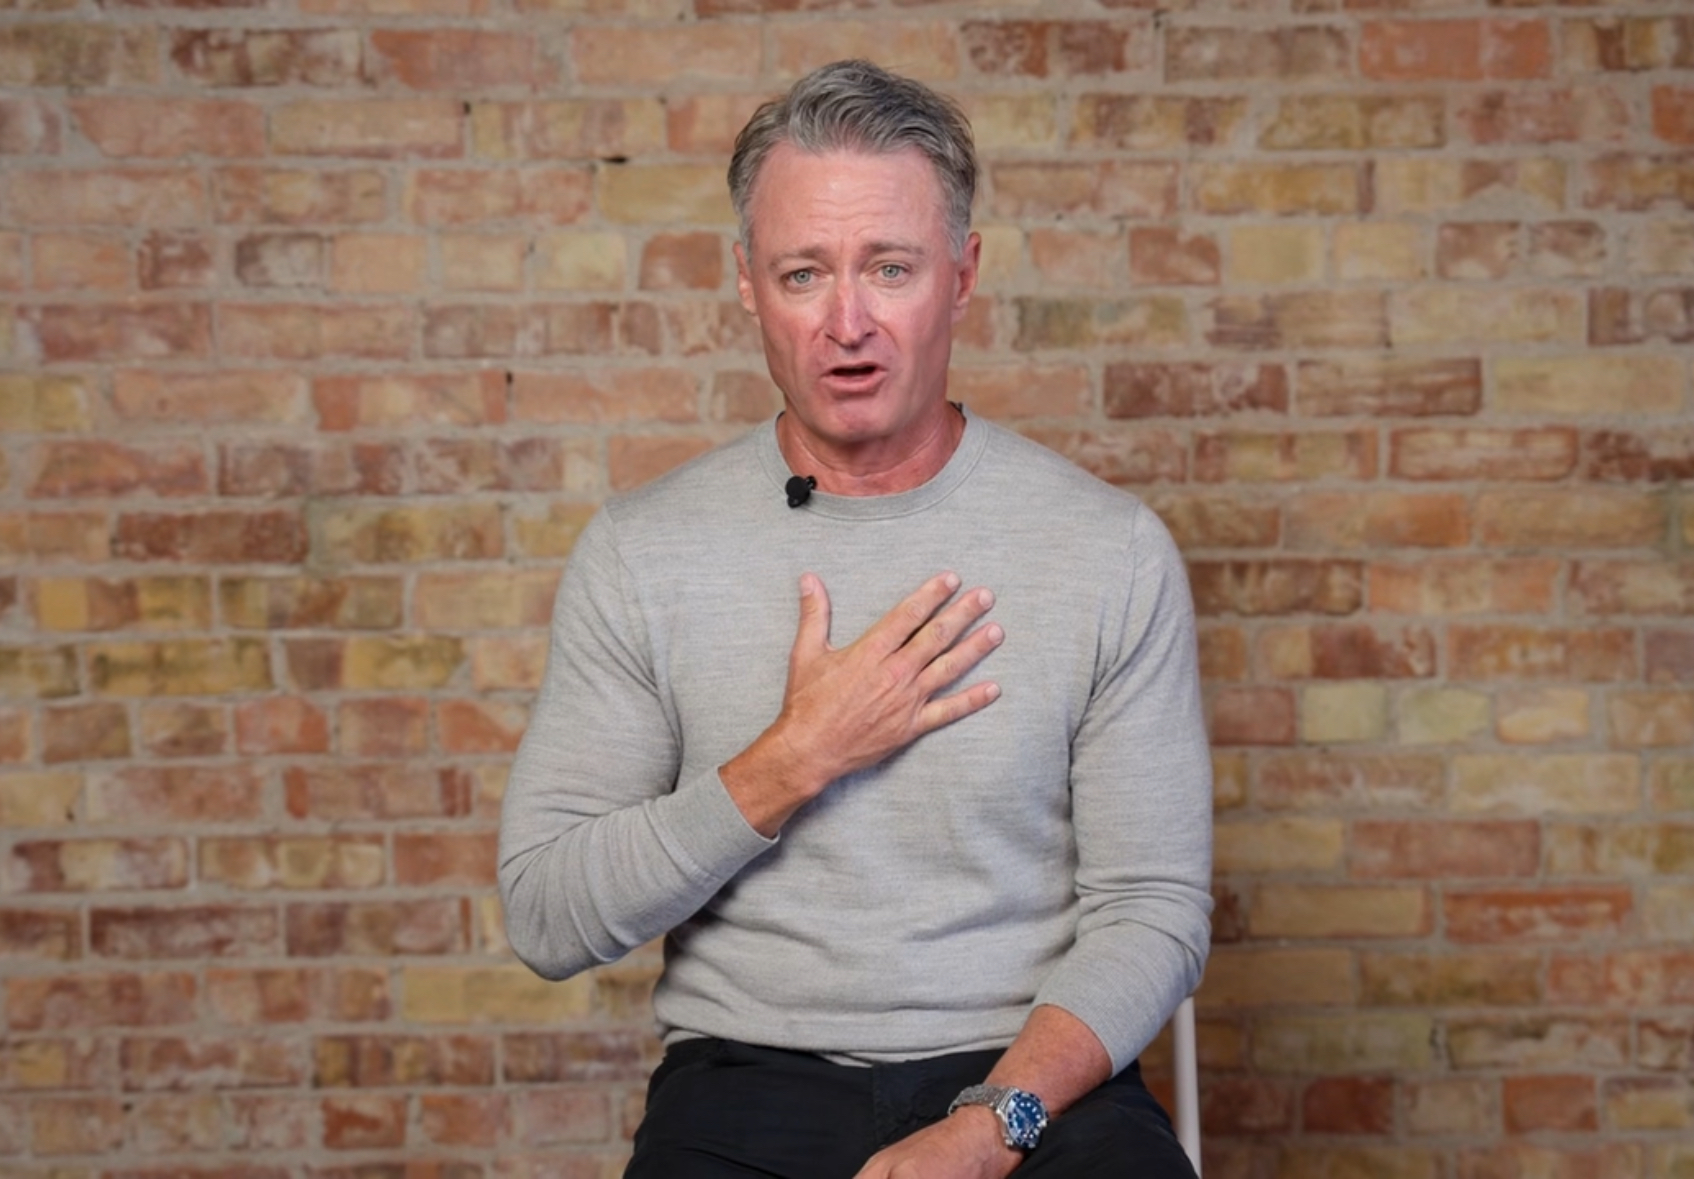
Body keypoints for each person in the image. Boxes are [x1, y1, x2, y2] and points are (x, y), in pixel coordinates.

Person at [498, 59, 1214, 1179]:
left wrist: (990, 1128)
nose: (848, 324)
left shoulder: (1108, 550)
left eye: (890, 268)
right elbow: (546, 915)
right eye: (803, 273)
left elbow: (1153, 909)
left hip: (1032, 1079)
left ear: (962, 276)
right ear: (747, 284)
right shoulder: (642, 552)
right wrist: (794, 759)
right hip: (748, 1079)